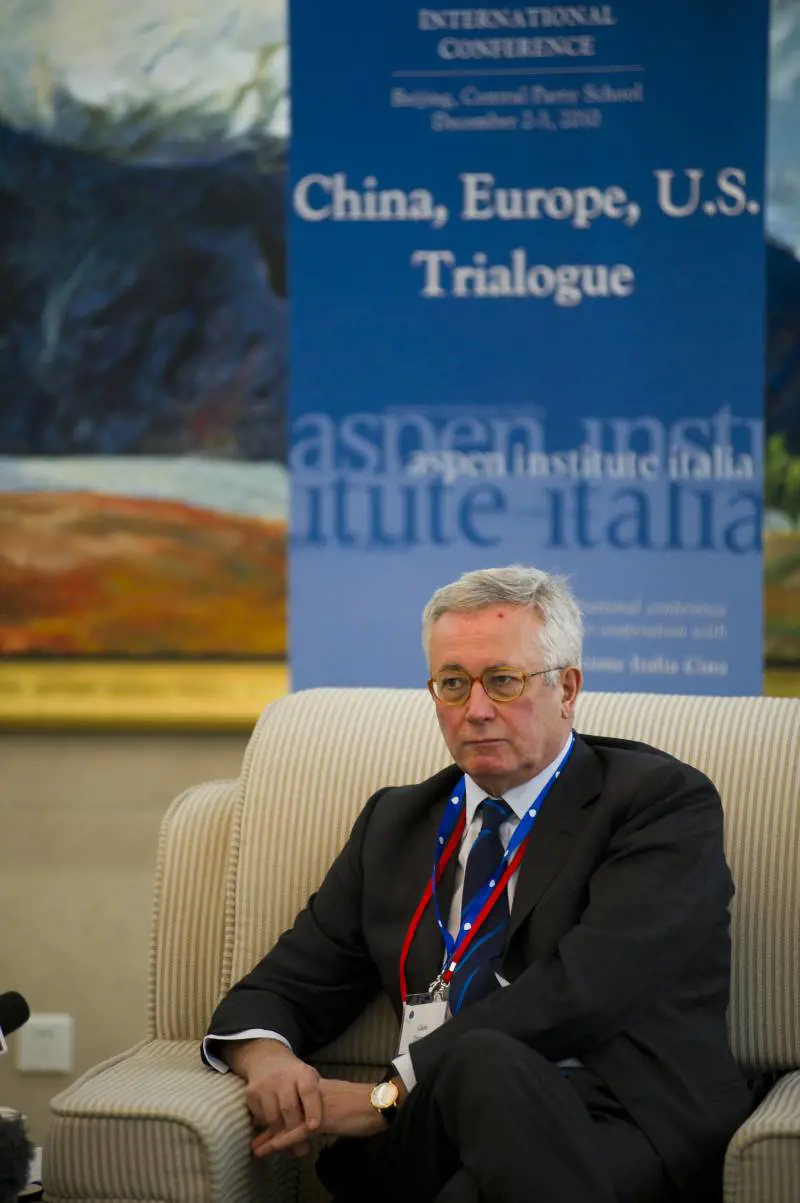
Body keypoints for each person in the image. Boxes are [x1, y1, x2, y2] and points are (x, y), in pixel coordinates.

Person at [203, 565, 752, 1203]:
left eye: (503, 680)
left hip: (616, 1116)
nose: (478, 710)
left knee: (480, 1081)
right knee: (475, 1080)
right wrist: (266, 1057)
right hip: (431, 1130)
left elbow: (585, 991)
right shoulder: (396, 824)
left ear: (567, 688)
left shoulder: (657, 803)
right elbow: (281, 987)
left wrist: (392, 1092)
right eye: (454, 684)